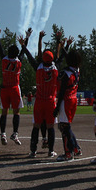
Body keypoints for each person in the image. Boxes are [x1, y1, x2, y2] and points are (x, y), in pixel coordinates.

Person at [20, 29, 63, 158]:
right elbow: (61, 56)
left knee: (36, 126)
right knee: (50, 127)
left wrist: (23, 45)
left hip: (39, 100)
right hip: (50, 101)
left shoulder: (37, 66)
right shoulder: (56, 67)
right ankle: (50, 150)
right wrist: (58, 40)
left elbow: (29, 55)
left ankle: (33, 150)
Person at [0, 26, 26, 146]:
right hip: (14, 88)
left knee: (4, 112)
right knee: (16, 112)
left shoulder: (4, 60)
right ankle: (15, 133)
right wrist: (24, 42)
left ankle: (3, 133)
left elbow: (0, 48)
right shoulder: (18, 62)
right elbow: (23, 52)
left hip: (4, 88)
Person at [54, 45, 82, 161]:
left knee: (64, 127)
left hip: (66, 100)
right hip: (73, 99)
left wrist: (56, 107)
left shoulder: (66, 73)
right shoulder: (76, 70)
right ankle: (75, 148)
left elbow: (61, 92)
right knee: (66, 126)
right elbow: (69, 57)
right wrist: (61, 44)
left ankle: (68, 153)